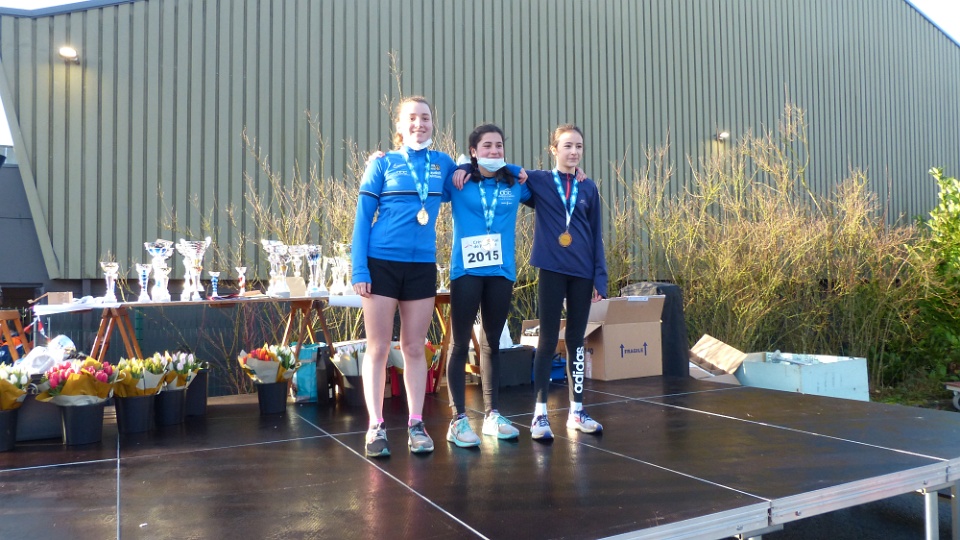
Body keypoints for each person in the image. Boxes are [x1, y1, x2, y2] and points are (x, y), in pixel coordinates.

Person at [351, 95, 457, 458]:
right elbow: (362, 219)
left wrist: (514, 172)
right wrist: (359, 268)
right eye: (411, 118)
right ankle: (376, 426)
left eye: (425, 117)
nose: (419, 124)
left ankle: (416, 423)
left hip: (421, 266)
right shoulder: (382, 163)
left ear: (432, 123)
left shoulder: (443, 164)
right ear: (399, 125)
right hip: (380, 263)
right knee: (378, 347)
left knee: (414, 347)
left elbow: (478, 178)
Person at [442, 124, 531, 447]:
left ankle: (492, 414)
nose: (494, 151)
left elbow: (546, 183)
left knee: (492, 342)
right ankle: (458, 420)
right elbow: (425, 183)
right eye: (487, 146)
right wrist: (462, 167)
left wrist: (517, 169)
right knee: (459, 343)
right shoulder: (459, 181)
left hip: (501, 272)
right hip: (466, 271)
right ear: (474, 151)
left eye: (499, 146)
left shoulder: (515, 183)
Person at [524, 124, 608, 440]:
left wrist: (600, 277)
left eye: (579, 147)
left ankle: (577, 411)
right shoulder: (541, 181)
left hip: (583, 272)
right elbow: (507, 171)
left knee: (576, 340)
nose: (574, 152)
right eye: (567, 146)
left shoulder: (589, 188)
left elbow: (596, 234)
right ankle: (539, 415)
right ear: (554, 150)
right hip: (551, 268)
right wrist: (466, 168)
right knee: (547, 340)